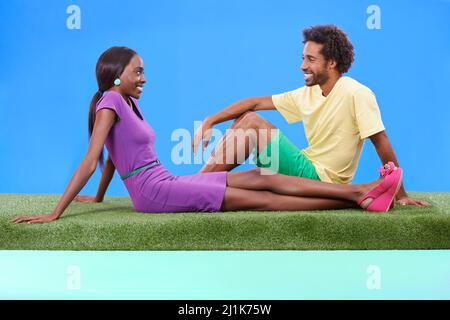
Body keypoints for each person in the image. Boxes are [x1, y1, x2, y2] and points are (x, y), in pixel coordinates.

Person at [13, 46, 404, 225]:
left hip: (162, 182)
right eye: (138, 72)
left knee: (257, 176)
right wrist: (54, 212)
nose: (144, 78)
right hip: (155, 194)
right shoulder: (110, 104)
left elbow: (116, 155)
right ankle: (358, 195)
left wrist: (99, 197)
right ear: (118, 76)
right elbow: (92, 157)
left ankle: (360, 192)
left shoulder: (127, 105)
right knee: (262, 200)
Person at [192, 24, 429, 207]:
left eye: (311, 59)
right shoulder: (309, 93)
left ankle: (189, 187)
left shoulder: (356, 93)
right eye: (303, 58)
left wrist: (400, 193)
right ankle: (194, 185)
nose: (303, 66)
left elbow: (381, 142)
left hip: (321, 180)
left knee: (251, 123)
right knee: (245, 119)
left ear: (332, 63)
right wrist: (210, 120)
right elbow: (254, 102)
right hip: (304, 169)